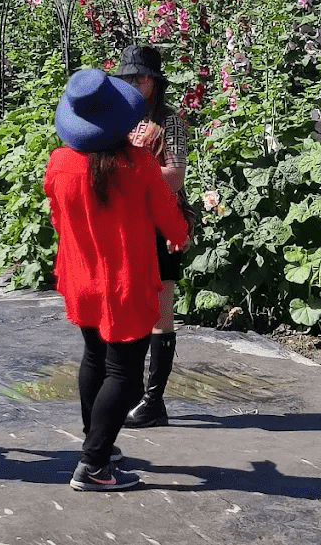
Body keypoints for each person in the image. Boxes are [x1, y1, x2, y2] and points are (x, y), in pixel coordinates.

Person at [44, 68, 189, 491]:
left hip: (80, 276)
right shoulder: (139, 165)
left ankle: (100, 448)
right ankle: (93, 464)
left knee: (93, 359)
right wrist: (183, 234)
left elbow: (58, 220)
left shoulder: (59, 163)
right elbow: (172, 222)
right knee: (124, 375)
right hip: (125, 281)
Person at [114, 44, 193, 429]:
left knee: (161, 306)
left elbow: (176, 175)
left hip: (161, 221)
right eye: (126, 78)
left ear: (149, 82)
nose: (128, 84)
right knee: (130, 303)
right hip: (129, 222)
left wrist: (128, 173)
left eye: (133, 78)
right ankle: (130, 390)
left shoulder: (169, 121)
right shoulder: (122, 118)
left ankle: (153, 399)